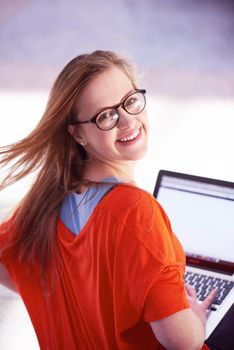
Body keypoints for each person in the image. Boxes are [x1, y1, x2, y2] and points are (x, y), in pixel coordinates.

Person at [0, 50, 232, 350]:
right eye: (105, 116)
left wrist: (60, 297)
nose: (127, 121)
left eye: (130, 101)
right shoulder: (137, 212)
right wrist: (197, 317)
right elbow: (182, 342)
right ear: (77, 134)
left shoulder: (46, 200)